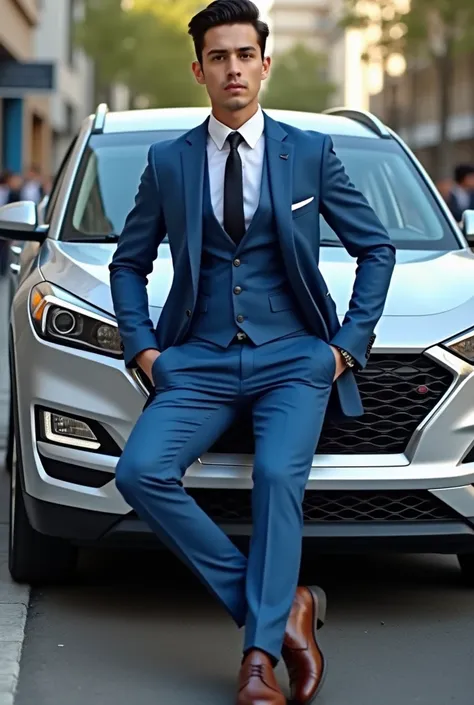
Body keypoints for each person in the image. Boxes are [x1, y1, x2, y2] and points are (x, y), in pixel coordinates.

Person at [109, 1, 396, 703]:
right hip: (197, 360)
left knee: (276, 477)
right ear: (199, 70)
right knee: (141, 472)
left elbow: (376, 247)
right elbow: (129, 262)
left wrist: (344, 348)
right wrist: (146, 353)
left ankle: (258, 661)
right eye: (218, 57)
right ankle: (282, 605)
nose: (232, 68)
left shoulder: (311, 152)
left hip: (294, 358)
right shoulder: (168, 161)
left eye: (244, 55)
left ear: (264, 65)